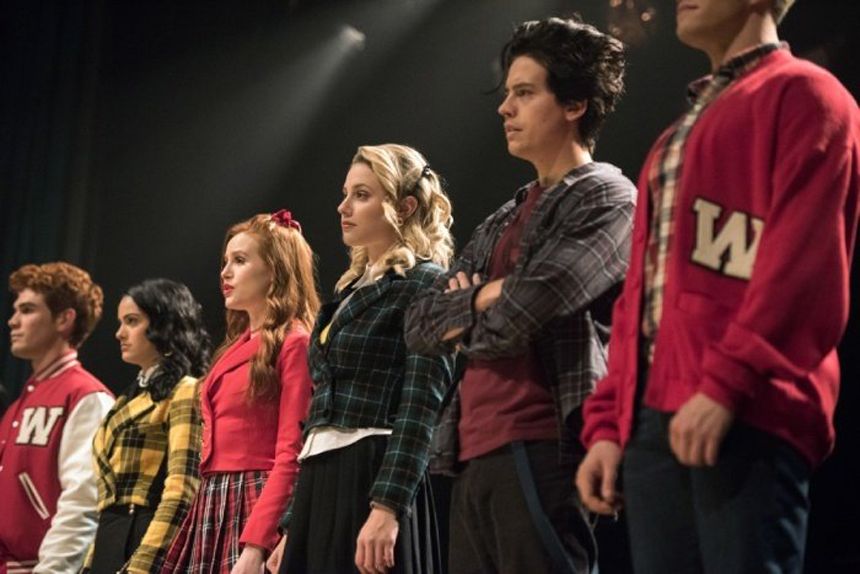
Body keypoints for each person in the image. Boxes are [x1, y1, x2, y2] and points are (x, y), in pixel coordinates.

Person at [576, 1, 860, 572]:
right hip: (654, 415)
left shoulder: (807, 94)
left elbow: (804, 264)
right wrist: (609, 422)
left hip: (747, 408)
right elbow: (642, 294)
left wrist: (729, 382)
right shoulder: (675, 135)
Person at [403, 16, 636, 573]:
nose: (505, 108)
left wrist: (470, 309)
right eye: (507, 94)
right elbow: (418, 324)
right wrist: (487, 297)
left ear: (574, 104)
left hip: (543, 444)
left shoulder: (607, 196)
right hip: (468, 455)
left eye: (525, 93)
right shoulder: (502, 217)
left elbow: (530, 307)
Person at [266, 144, 455, 574]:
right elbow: (321, 415)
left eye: (362, 195)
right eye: (346, 193)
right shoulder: (349, 291)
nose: (343, 207)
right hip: (321, 480)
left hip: (373, 472)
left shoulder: (426, 283)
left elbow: (421, 407)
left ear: (404, 207)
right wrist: (294, 523)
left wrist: (388, 505)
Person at [161, 210, 319, 574]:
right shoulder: (236, 346)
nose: (225, 272)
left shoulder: (294, 343)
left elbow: (292, 452)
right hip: (214, 497)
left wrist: (258, 542)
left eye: (240, 261)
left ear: (275, 271)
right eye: (225, 261)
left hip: (255, 500)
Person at [82, 279, 211, 573]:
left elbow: (182, 487)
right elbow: (108, 503)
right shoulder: (126, 400)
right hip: (110, 540)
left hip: (144, 536)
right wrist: (90, 562)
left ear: (163, 325)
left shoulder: (185, 390)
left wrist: (143, 564)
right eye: (121, 322)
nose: (119, 333)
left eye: (132, 321)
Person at [0, 262, 114, 573]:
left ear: (64, 319)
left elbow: (82, 503)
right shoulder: (19, 405)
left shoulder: (87, 397)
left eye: (27, 310)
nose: (12, 320)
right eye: (16, 310)